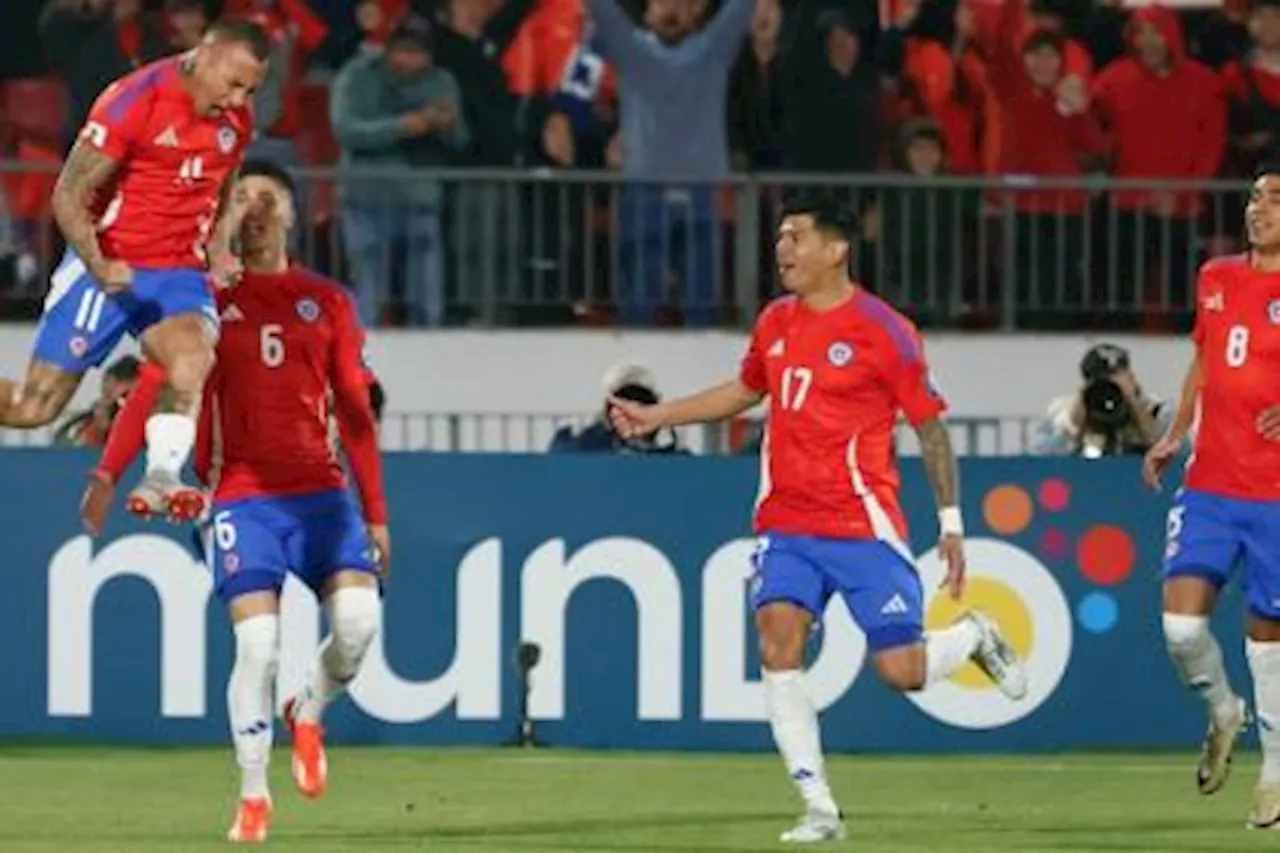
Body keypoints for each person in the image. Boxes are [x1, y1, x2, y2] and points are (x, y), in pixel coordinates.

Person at [608, 195, 1027, 843]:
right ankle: (819, 807)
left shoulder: (886, 331)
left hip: (863, 525)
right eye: (779, 237)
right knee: (777, 641)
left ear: (836, 249)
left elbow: (931, 428)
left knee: (902, 672)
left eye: (795, 237)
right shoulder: (776, 320)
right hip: (786, 523)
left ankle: (972, 636)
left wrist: (951, 522)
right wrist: (658, 415)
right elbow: (746, 390)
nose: (782, 249)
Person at [79, 160, 391, 844]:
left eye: (265, 196)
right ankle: (254, 795)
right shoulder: (202, 301)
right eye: (239, 195)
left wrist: (375, 510)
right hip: (241, 497)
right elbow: (154, 387)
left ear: (291, 213)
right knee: (258, 643)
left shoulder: (328, 300)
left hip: (324, 497)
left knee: (360, 626)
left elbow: (357, 412)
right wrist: (109, 470)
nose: (251, 206)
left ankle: (306, 707)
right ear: (223, 216)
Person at [4, 18, 269, 521]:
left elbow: (223, 185)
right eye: (234, 83)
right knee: (31, 409)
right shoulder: (134, 100)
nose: (239, 99)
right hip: (107, 263)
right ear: (203, 54)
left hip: (176, 273)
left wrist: (218, 248)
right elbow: (68, 195)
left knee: (193, 356)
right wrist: (101, 264)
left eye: (251, 89)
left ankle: (163, 475)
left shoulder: (236, 120)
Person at [1143, 169, 1280, 828]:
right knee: (1181, 628)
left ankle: (1276, 774)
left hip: (1276, 494)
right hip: (1210, 484)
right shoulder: (1217, 276)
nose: (1261, 208)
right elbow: (1204, 361)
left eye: (1277, 199)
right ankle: (1224, 709)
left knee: (1268, 638)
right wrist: (1174, 434)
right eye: (1256, 196)